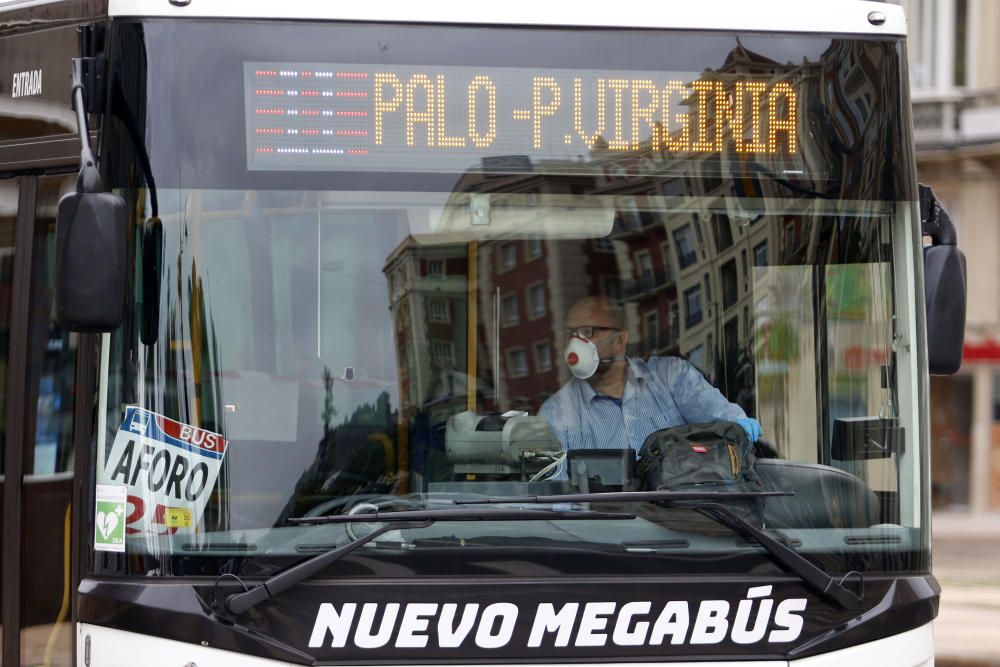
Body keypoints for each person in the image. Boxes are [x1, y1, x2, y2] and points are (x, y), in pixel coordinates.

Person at [538, 296, 761, 465]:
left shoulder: (671, 376)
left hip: (684, 520)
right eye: (571, 334)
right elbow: (556, 501)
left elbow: (732, 428)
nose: (576, 343)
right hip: (606, 526)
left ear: (619, 340)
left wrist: (739, 428)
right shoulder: (555, 414)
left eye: (588, 332)